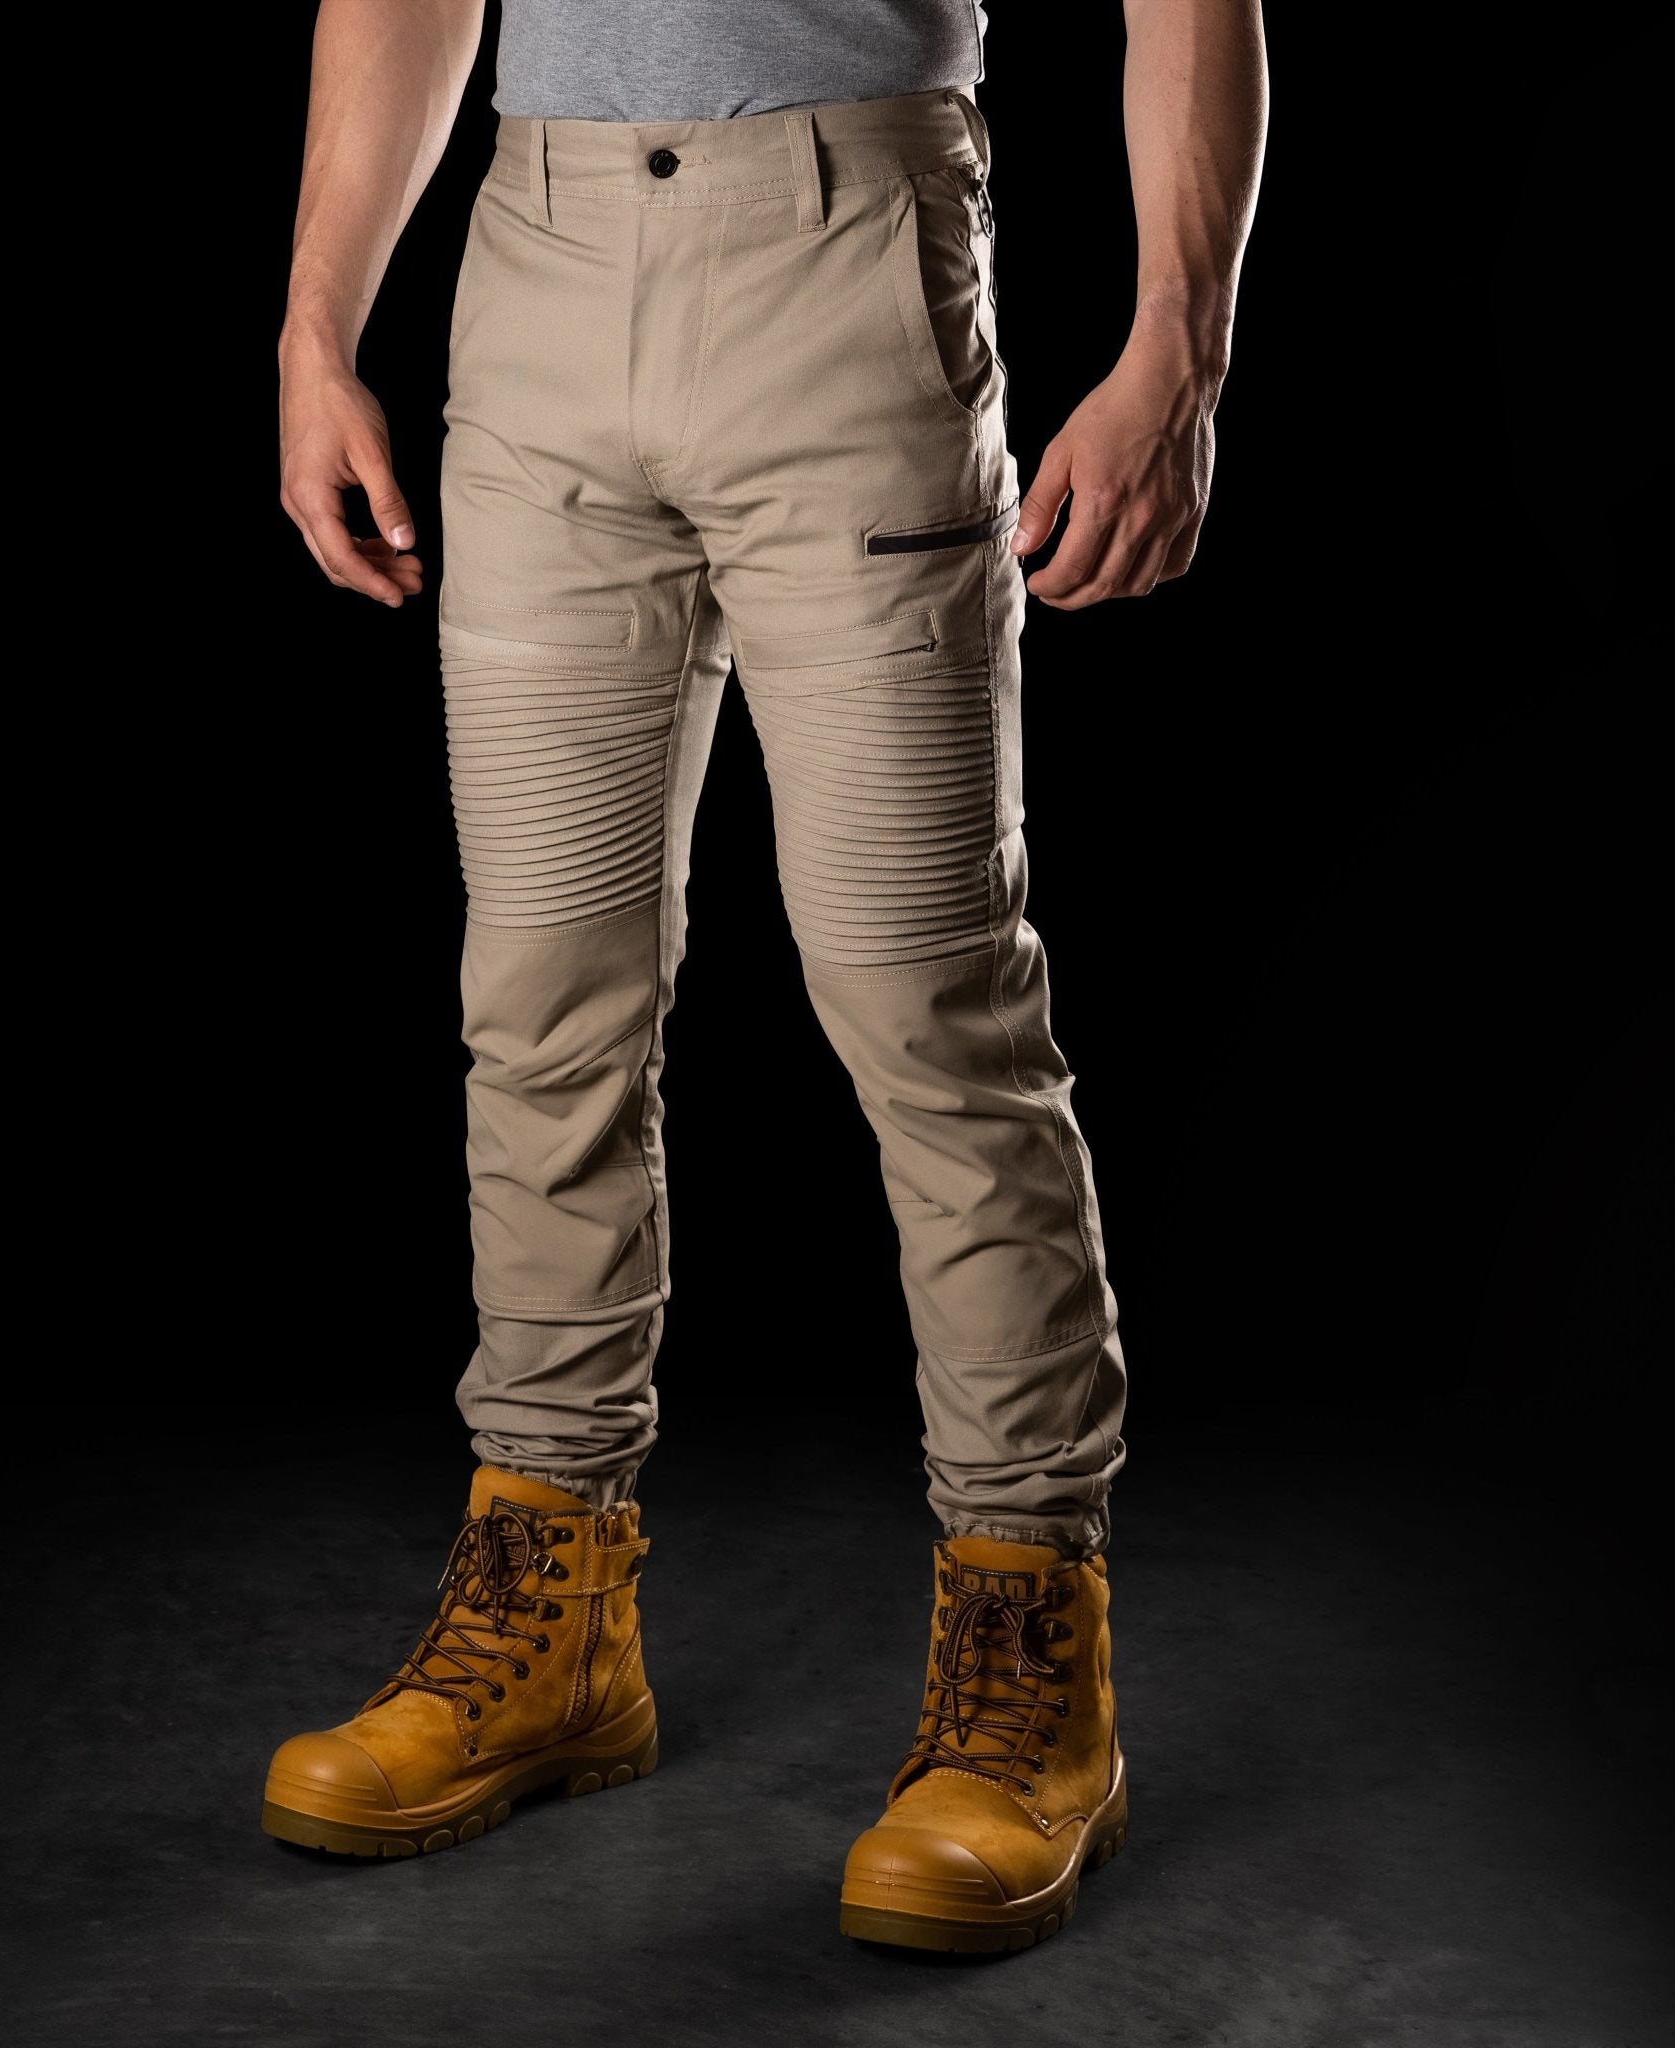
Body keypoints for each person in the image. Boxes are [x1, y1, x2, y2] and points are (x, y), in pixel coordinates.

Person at [263, 0, 1266, 1952]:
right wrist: (316, 329)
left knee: (931, 1011)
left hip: (848, 259)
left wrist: (1180, 343)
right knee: (538, 1008)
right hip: (536, 275)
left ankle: (1029, 1641)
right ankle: (552, 1606)